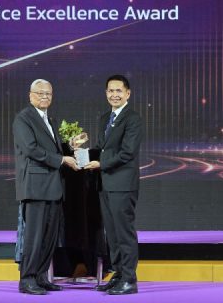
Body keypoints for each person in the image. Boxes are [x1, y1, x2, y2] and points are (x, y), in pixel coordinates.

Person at [13, 79, 79, 295]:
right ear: (30, 95)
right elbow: (31, 149)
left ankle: (41, 277)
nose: (44, 97)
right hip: (35, 187)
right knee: (34, 237)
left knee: (49, 237)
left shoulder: (50, 119)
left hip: (52, 187)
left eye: (48, 94)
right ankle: (27, 279)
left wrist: (70, 146)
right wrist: (62, 160)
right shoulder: (23, 118)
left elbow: (53, 149)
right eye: (40, 93)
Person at [85, 74, 143, 295]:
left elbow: (127, 152)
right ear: (106, 93)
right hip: (106, 184)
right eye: (110, 90)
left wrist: (101, 164)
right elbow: (101, 148)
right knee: (112, 233)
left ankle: (129, 279)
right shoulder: (105, 118)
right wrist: (79, 150)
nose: (114, 94)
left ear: (128, 93)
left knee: (124, 233)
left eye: (119, 91)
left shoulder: (133, 119)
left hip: (123, 185)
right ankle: (118, 274)